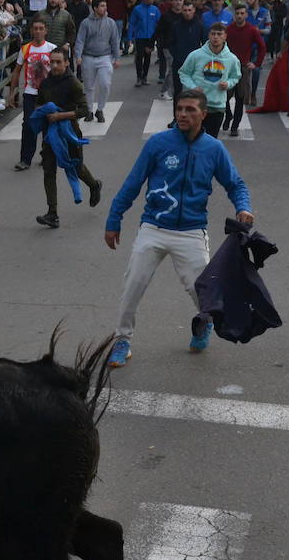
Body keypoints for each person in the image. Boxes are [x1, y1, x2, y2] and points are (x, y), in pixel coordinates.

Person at [103, 88, 253, 368]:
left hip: (192, 231)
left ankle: (204, 323)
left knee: (204, 295)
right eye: (180, 109)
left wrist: (243, 207)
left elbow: (236, 184)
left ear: (203, 114)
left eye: (190, 110)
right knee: (133, 284)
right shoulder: (158, 144)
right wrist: (114, 219)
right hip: (154, 228)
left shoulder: (214, 149)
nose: (182, 114)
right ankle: (122, 340)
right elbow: (132, 183)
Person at [33, 48, 102, 229]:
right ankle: (52, 213)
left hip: (69, 132)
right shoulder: (45, 84)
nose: (54, 66)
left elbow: (84, 110)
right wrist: (42, 112)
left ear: (66, 63)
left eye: (58, 62)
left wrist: (61, 116)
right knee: (49, 170)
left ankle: (94, 185)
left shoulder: (73, 83)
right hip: (50, 134)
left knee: (76, 167)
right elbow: (39, 103)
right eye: (52, 62)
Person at [178, 23, 241, 139]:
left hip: (217, 105)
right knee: (192, 138)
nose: (215, 37)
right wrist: (192, 87)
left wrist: (228, 84)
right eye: (213, 34)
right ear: (209, 35)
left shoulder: (232, 59)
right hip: (196, 104)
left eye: (219, 34)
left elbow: (236, 76)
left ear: (225, 36)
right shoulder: (196, 55)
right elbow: (183, 72)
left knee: (210, 140)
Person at [9, 19, 56, 171]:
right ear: (31, 31)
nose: (37, 31)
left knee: (49, 125)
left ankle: (47, 155)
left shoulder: (52, 49)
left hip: (49, 94)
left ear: (46, 30)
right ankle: (25, 159)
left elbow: (60, 72)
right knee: (29, 125)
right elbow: (17, 71)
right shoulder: (25, 49)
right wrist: (12, 92)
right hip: (30, 93)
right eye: (35, 28)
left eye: (41, 28)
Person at [74, 0, 121, 122]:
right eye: (102, 6)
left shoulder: (110, 23)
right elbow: (80, 40)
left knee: (105, 84)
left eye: (105, 5)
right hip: (88, 57)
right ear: (95, 8)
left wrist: (117, 57)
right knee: (89, 86)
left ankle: (100, 109)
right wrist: (78, 56)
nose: (105, 8)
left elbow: (115, 41)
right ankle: (89, 110)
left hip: (105, 57)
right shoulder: (86, 23)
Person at [225, 4, 266, 137]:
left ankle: (235, 126)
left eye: (242, 13)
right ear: (234, 15)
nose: (240, 16)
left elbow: (262, 47)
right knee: (224, 97)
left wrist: (256, 63)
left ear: (246, 15)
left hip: (243, 67)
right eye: (237, 13)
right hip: (228, 68)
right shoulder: (229, 29)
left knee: (240, 98)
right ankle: (228, 115)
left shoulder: (252, 30)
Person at [168, 0, 208, 101]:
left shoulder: (200, 25)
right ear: (181, 11)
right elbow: (171, 43)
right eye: (185, 10)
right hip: (179, 62)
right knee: (178, 91)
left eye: (189, 10)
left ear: (194, 10)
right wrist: (176, 55)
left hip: (195, 63)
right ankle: (176, 116)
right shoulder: (175, 25)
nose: (187, 12)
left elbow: (205, 44)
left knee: (194, 92)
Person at [129, 0, 162, 88]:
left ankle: (145, 77)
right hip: (139, 37)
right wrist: (130, 37)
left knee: (148, 57)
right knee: (139, 57)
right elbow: (132, 23)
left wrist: (158, 36)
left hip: (150, 38)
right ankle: (139, 77)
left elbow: (160, 23)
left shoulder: (155, 9)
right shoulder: (137, 9)